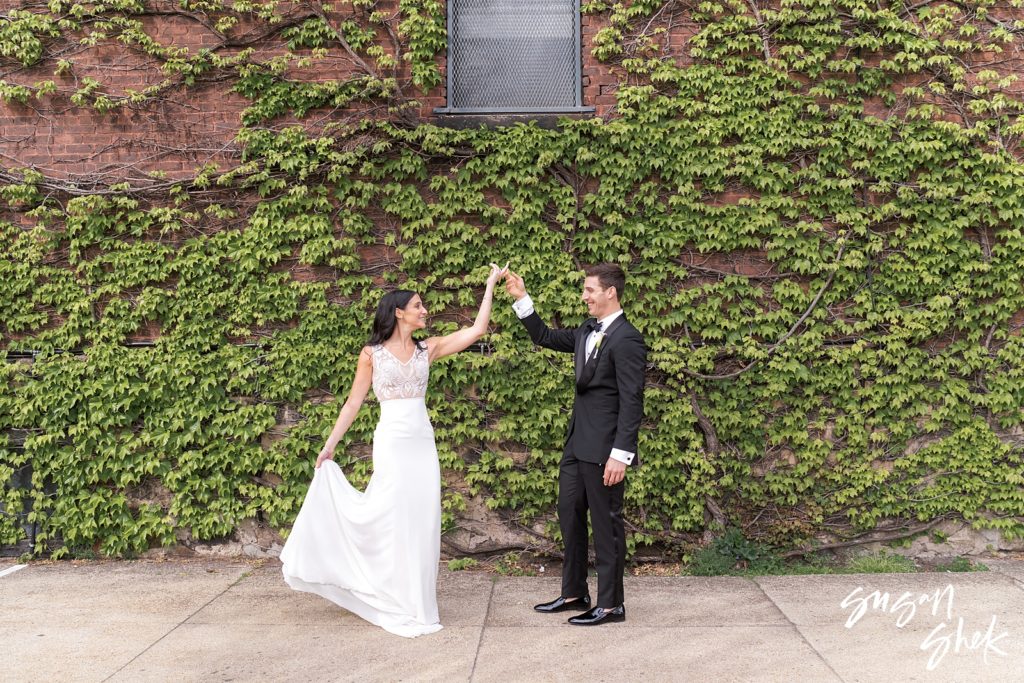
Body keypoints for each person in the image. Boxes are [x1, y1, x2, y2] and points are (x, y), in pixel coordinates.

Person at [280, 263, 508, 638]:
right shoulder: (371, 354)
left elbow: (477, 329)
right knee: (389, 515)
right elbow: (353, 403)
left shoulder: (427, 350)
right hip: (391, 444)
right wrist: (329, 446)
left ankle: (416, 602)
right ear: (399, 312)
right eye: (418, 306)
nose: (425, 311)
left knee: (423, 519)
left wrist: (489, 287)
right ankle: (382, 588)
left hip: (422, 443)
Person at [504, 263, 646, 626]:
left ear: (610, 292)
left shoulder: (628, 339)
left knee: (606, 525)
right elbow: (546, 338)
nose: (584, 297)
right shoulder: (587, 329)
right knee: (569, 516)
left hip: (604, 451)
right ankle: (574, 592)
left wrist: (621, 454)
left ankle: (612, 605)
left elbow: (632, 401)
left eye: (590, 291)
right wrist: (522, 299)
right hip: (575, 445)